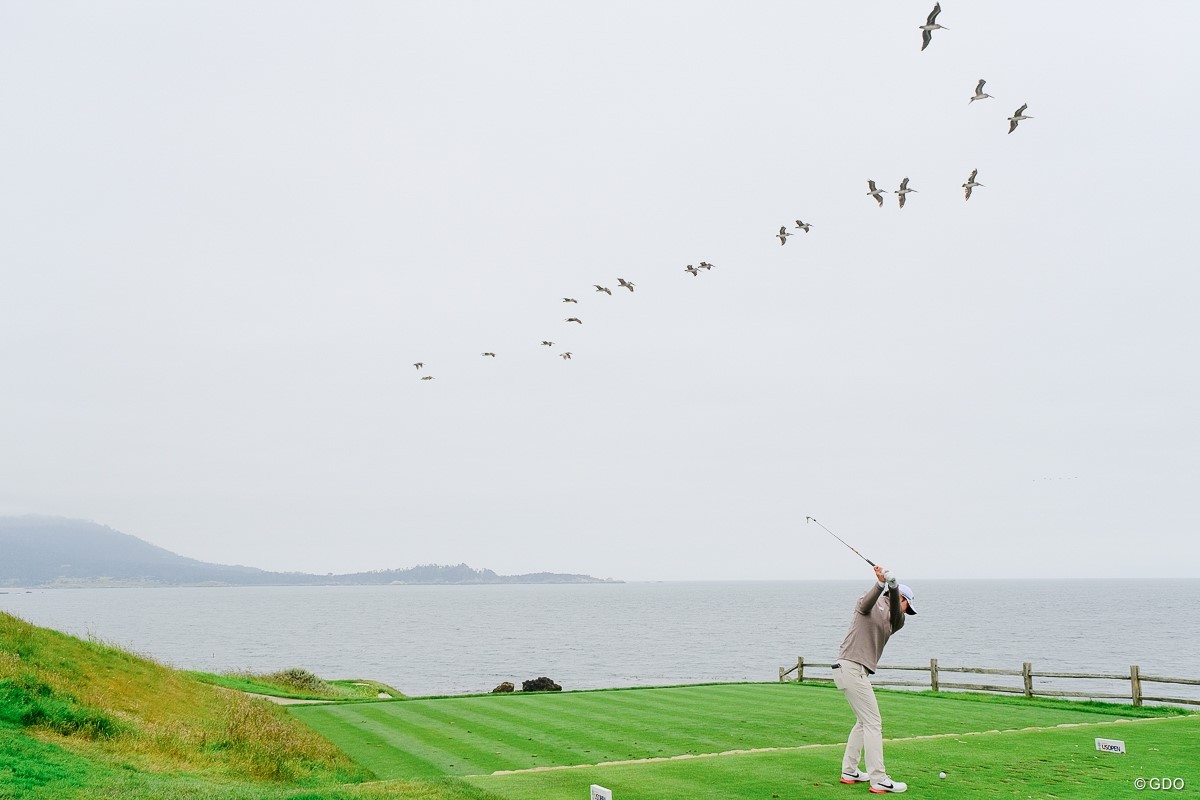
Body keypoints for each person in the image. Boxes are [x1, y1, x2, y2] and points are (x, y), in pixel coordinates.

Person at [832, 564, 917, 794]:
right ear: (902, 600)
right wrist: (881, 584)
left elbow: (896, 614)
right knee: (873, 723)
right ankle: (878, 778)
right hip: (851, 667)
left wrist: (894, 585)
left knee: (863, 722)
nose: (906, 612)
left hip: (852, 670)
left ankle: (849, 770)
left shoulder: (894, 621)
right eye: (907, 606)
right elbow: (866, 603)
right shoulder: (868, 605)